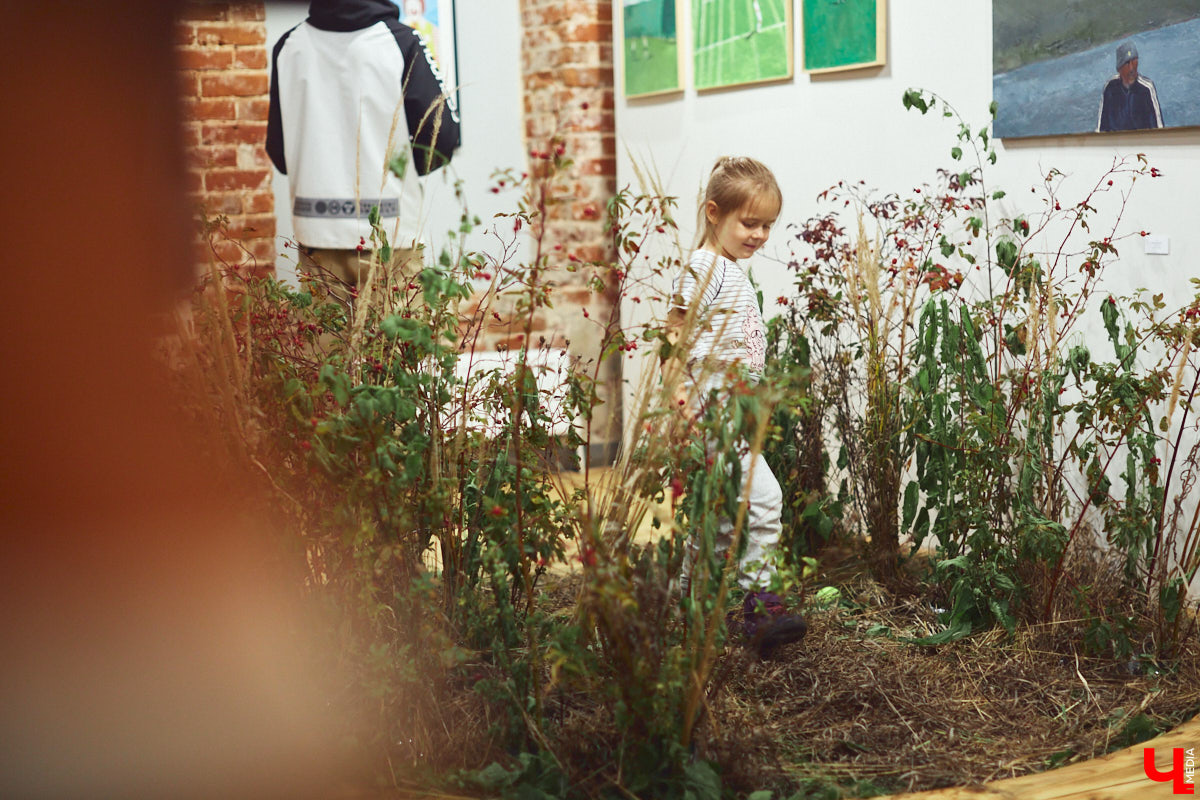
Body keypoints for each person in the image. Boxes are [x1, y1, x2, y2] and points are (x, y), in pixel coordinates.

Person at [665, 156, 808, 657]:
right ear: (713, 212)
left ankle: (685, 607)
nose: (760, 235)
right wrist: (680, 400)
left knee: (719, 518)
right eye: (750, 223)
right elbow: (675, 335)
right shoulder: (704, 267)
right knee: (763, 501)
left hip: (733, 412)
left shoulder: (725, 267)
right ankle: (757, 608)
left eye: (767, 225)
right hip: (713, 410)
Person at [266, 0, 460, 304]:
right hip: (390, 233)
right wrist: (402, 175)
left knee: (323, 348)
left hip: (317, 232)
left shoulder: (289, 47)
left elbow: (278, 149)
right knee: (394, 348)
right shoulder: (401, 42)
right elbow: (443, 137)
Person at [1096, 40, 1164, 133]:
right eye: (1127, 63)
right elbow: (1101, 128)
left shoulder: (1146, 89)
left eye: (1134, 61)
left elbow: (1158, 128)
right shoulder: (1110, 88)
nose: (1131, 68)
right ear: (1119, 68)